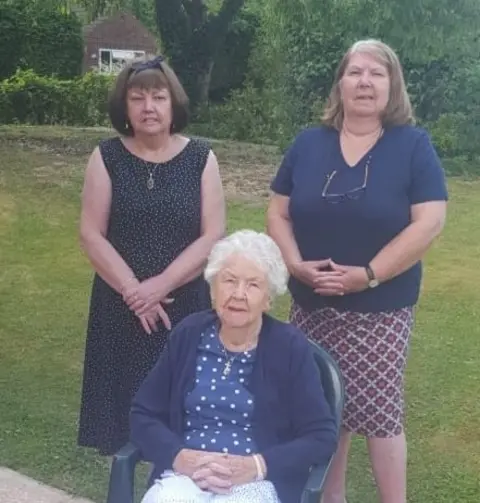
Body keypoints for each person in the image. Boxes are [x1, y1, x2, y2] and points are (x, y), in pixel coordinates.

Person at [267, 39, 447, 503]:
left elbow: (429, 222)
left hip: (380, 309)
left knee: (379, 415)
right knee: (322, 410)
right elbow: (278, 213)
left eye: (377, 73)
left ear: (392, 87)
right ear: (340, 84)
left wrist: (367, 274)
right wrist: (294, 264)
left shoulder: (413, 146)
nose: (365, 81)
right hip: (312, 305)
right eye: (355, 72)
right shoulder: (308, 144)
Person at [77, 55, 226, 457]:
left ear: (172, 103)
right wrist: (134, 292)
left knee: (182, 420)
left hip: (183, 309)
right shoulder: (105, 157)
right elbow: (91, 234)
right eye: (137, 98)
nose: (148, 107)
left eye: (158, 97)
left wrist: (159, 286)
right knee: (122, 426)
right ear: (124, 107)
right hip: (119, 309)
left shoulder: (201, 158)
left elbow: (213, 235)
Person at [130, 230, 338, 503]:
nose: (238, 294)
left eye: (253, 285)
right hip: (187, 475)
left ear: (268, 298)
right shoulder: (189, 334)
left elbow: (321, 436)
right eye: (229, 281)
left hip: (255, 482)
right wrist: (179, 457)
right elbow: (142, 413)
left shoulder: (289, 347)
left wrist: (257, 465)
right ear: (214, 290)